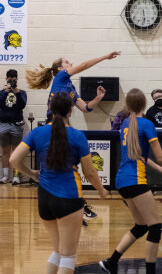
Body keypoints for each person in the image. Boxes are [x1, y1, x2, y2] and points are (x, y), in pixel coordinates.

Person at [10, 92, 108, 274]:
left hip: (44, 199)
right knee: (68, 256)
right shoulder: (77, 136)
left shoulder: (37, 133)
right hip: (68, 197)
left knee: (57, 252)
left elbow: (14, 160)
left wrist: (32, 174)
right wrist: (101, 190)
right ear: (71, 111)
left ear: (49, 109)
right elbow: (90, 172)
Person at [26, 51, 120, 224]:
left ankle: (72, 204)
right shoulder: (61, 77)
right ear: (60, 68)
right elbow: (83, 65)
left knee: (65, 164)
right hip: (53, 124)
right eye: (67, 61)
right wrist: (104, 56)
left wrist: (98, 98)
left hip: (63, 126)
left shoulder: (70, 86)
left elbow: (86, 108)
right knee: (61, 165)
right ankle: (73, 204)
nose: (71, 63)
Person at [99, 88, 162, 274]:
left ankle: (111, 262)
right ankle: (150, 271)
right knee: (155, 227)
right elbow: (161, 156)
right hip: (135, 181)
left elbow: (140, 156)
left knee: (141, 226)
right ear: (144, 104)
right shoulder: (146, 124)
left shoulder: (125, 124)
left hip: (122, 181)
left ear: (128, 105)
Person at [0, 69, 27, 185]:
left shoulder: (22, 92)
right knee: (5, 151)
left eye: (14, 80)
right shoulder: (2, 92)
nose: (11, 82)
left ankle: (16, 176)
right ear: (6, 79)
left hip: (16, 124)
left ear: (17, 80)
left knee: (16, 152)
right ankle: (5, 176)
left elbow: (22, 105)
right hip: (3, 124)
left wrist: (16, 91)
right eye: (9, 80)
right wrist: (6, 90)